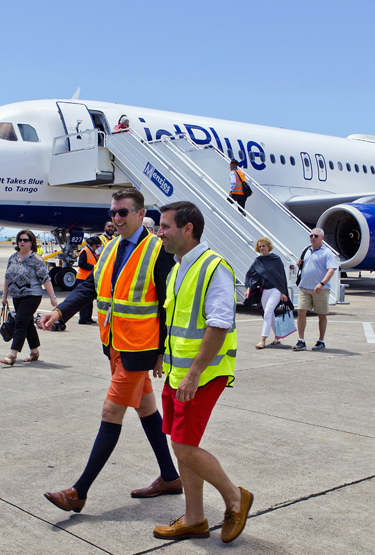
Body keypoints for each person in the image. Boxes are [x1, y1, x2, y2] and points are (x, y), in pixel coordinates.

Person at [39, 188, 182, 512]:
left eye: (122, 212)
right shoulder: (110, 248)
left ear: (140, 213)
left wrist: (162, 351)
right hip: (115, 344)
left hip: (139, 349)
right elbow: (90, 286)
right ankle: (170, 476)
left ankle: (79, 492)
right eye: (112, 212)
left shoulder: (157, 251)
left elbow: (167, 305)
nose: (115, 218)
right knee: (146, 409)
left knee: (110, 412)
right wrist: (60, 311)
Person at [152, 201, 252, 544]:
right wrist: (162, 357)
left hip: (203, 374)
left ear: (187, 228)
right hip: (177, 371)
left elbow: (220, 324)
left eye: (164, 227)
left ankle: (236, 498)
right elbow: (176, 322)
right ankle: (194, 518)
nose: (159, 233)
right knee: (182, 443)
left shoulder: (214, 268)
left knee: (182, 445)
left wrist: (194, 372)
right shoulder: (177, 268)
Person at [1, 230, 57, 365]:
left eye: (25, 240)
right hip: (17, 296)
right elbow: (7, 277)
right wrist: (4, 295)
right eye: (20, 240)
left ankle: (12, 354)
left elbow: (45, 278)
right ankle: (34, 352)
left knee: (20, 323)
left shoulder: (36, 259)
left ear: (31, 242)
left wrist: (52, 296)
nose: (22, 242)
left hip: (32, 295)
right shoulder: (13, 257)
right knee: (28, 324)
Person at [294, 228, 337, 352]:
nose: (313, 237)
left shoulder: (327, 252)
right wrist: (299, 264)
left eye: (316, 236)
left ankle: (321, 340)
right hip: (304, 287)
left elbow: (331, 270)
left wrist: (322, 283)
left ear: (322, 238)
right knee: (301, 311)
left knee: (321, 314)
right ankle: (301, 340)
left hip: (320, 289)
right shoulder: (306, 250)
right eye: (311, 235)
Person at [244, 237, 290, 349]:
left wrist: (283, 292)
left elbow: (281, 276)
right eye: (260, 246)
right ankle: (278, 337)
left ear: (268, 246)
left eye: (264, 246)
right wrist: (249, 288)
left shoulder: (276, 259)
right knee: (269, 315)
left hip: (276, 290)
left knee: (268, 312)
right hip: (264, 290)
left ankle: (262, 339)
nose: (262, 248)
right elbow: (252, 276)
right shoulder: (258, 261)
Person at [75, 236, 100, 325]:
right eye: (97, 246)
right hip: (83, 278)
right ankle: (83, 319)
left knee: (89, 301)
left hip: (88, 278)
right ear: (93, 244)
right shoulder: (85, 251)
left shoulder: (92, 251)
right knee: (84, 300)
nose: (97, 248)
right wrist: (93, 267)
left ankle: (88, 317)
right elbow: (81, 264)